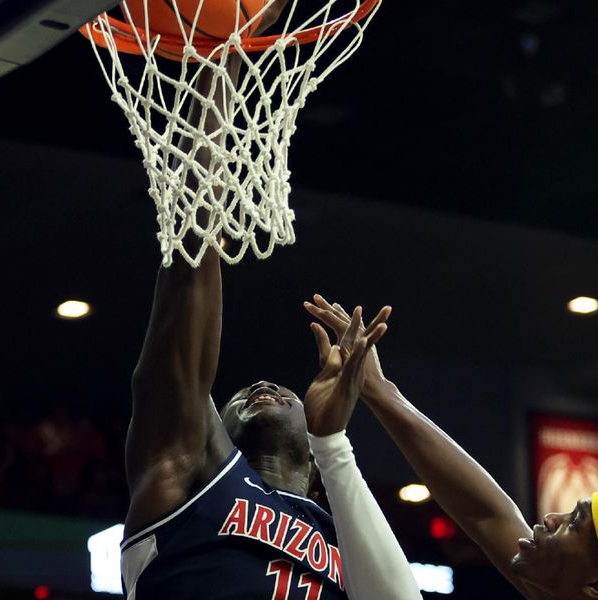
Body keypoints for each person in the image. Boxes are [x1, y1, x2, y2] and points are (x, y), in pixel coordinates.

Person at [119, 26, 421, 599]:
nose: (256, 386)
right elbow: (187, 279)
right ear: (216, 434)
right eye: (233, 396)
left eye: (275, 390)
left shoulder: (349, 541)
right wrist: (221, 63)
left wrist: (336, 445)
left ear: (315, 462)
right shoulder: (185, 473)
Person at [305, 295, 598, 600]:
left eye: (574, 524)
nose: (553, 517)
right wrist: (378, 390)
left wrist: (332, 445)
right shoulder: (565, 588)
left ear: (596, 587)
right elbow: (485, 513)